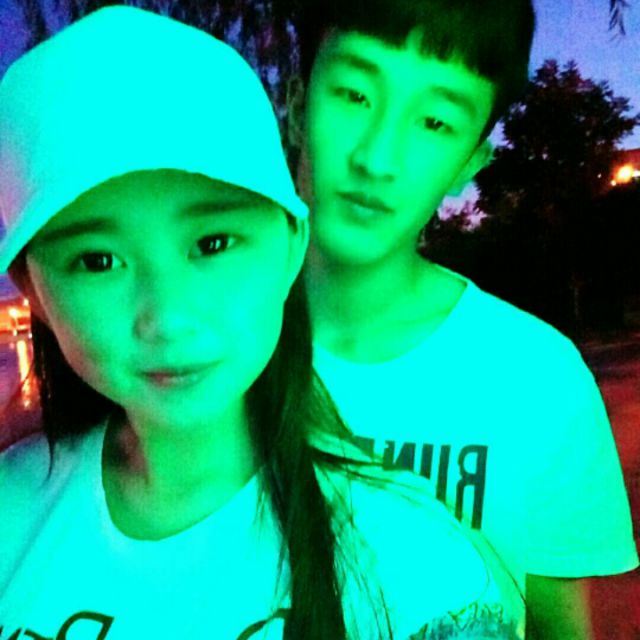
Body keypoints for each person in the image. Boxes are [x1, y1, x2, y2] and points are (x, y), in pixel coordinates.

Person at [0, 6, 525, 640]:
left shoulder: (420, 569)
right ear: (34, 290)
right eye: (97, 261)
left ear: (290, 247)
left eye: (213, 243)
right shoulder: (11, 508)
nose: (168, 319)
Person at [284, 0, 640, 638]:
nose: (378, 157)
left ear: (470, 163)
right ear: (295, 102)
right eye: (354, 94)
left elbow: (559, 628)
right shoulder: (186, 349)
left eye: (435, 122)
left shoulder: (537, 377)